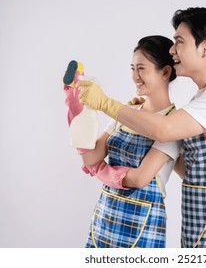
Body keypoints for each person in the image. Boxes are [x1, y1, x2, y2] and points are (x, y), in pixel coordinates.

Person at [77, 7, 206, 248]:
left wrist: (105, 104)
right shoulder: (201, 99)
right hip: (201, 226)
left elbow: (164, 130)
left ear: (205, 48)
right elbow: (189, 167)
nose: (171, 50)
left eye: (179, 42)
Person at [64, 35, 181, 248]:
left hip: (142, 227)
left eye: (141, 69)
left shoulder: (172, 124)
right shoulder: (129, 112)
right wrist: (77, 107)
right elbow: (91, 157)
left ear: (165, 71)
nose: (135, 76)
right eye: (132, 68)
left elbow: (138, 179)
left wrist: (99, 171)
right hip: (105, 219)